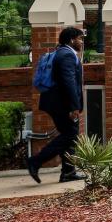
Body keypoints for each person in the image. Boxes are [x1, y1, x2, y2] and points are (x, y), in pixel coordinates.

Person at [27, 26, 86, 183]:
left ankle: (68, 172)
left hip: (56, 103)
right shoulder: (66, 55)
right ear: (72, 39)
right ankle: (36, 161)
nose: (81, 42)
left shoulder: (61, 52)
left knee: (70, 136)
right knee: (70, 135)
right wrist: (73, 107)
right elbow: (69, 83)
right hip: (62, 105)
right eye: (80, 38)